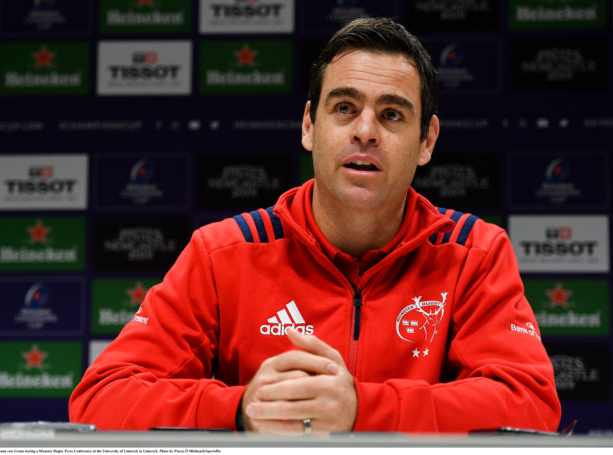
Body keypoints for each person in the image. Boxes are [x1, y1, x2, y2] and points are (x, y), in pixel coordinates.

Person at [69, 17, 561, 434]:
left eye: (391, 114)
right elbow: (98, 399)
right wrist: (240, 410)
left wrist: (362, 411)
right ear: (309, 125)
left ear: (426, 140)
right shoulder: (223, 253)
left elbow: (533, 408)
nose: (365, 131)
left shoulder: (472, 252)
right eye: (344, 108)